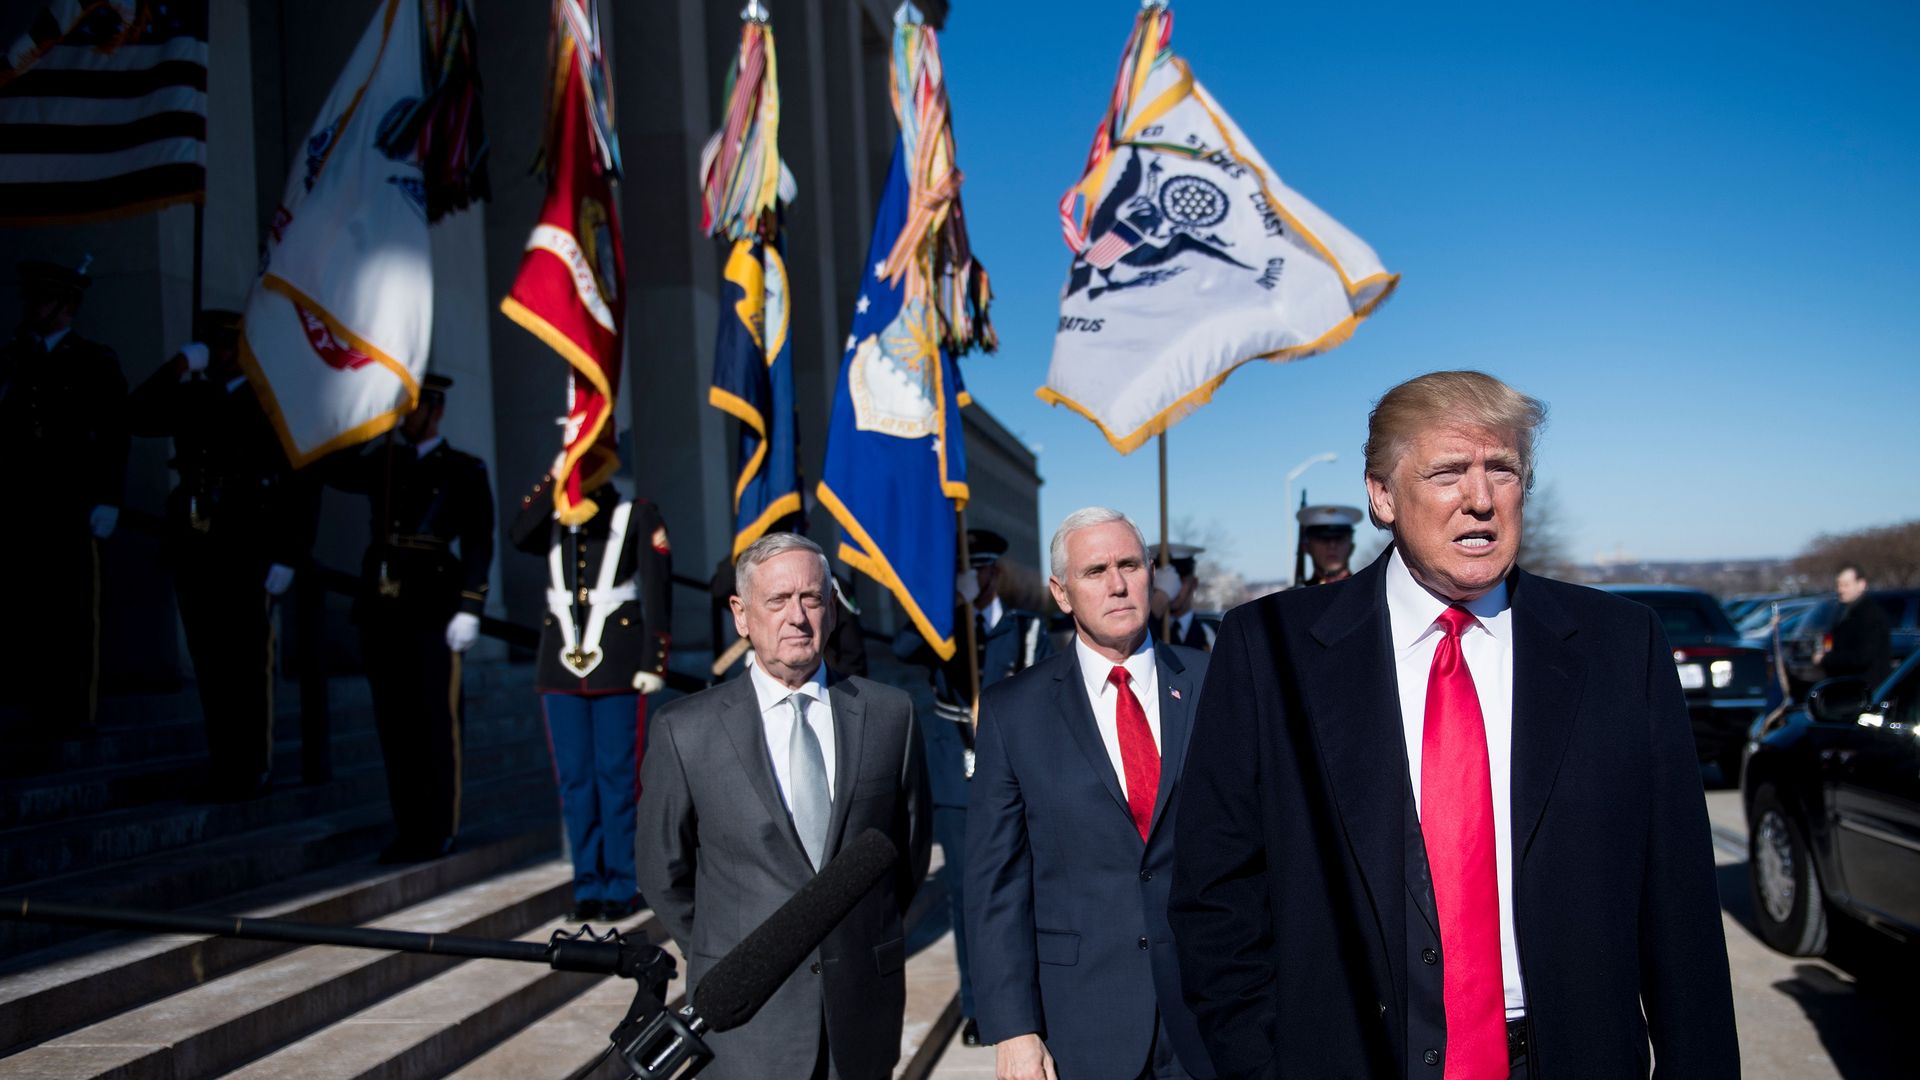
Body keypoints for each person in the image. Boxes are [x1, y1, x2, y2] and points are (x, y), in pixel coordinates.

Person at [1171, 371, 1737, 1080]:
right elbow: (1215, 896)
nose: (1480, 499)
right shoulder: (1270, 651)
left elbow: (1680, 907)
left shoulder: (1621, 647)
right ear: (1382, 495)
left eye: (1501, 470)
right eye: (1447, 472)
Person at [634, 532, 931, 1080]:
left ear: (832, 611)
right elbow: (661, 871)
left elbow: (905, 852)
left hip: (861, 1008)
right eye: (777, 601)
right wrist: (742, 956)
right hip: (749, 1018)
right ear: (741, 615)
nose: (797, 616)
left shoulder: (891, 715)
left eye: (812, 599)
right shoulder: (686, 731)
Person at [967, 507, 1215, 1080]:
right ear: (1061, 592)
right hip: (1080, 1023)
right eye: (1095, 570)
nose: (1117, 583)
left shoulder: (1214, 680)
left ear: (1151, 573)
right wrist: (1012, 1027)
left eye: (1129, 564)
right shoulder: (1014, 712)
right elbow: (995, 887)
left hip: (1208, 1014)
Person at [127, 310, 318, 798]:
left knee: (248, 660)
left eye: (226, 346)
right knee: (209, 658)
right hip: (197, 541)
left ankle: (252, 765)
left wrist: (289, 553)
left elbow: (301, 484)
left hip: (248, 543)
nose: (218, 355)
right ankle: (224, 763)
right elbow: (134, 414)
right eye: (210, 346)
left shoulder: (269, 406)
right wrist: (176, 367)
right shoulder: (191, 395)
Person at [892, 526, 1053, 1046]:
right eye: (964, 571)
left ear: (994, 572)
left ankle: (1031, 997)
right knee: (967, 895)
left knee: (1027, 887)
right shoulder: (944, 626)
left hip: (1018, 772)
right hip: (955, 775)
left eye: (978, 569)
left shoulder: (1026, 630)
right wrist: (945, 608)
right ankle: (977, 1004)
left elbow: (1045, 689)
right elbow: (904, 647)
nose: (972, 579)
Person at [326, 374, 494, 862]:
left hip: (434, 606)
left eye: (410, 408)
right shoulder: (384, 460)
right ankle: (408, 827)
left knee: (435, 722)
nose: (404, 417)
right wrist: (368, 423)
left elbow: (480, 541)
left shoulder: (463, 469)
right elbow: (331, 468)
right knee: (394, 724)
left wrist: (470, 605)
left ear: (435, 410)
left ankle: (440, 826)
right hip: (382, 607)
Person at [510, 468, 671, 921]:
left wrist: (653, 659)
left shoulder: (636, 514)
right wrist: (554, 477)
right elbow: (520, 534)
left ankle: (621, 883)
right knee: (576, 782)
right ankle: (587, 884)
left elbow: (658, 587)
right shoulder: (557, 511)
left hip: (618, 662)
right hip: (561, 665)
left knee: (617, 780)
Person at [0, 258, 128, 727]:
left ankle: (74, 710)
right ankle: (32, 699)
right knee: (28, 604)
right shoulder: (13, 357)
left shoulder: (93, 360)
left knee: (73, 609)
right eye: (29, 298)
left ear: (67, 306)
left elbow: (115, 433)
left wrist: (110, 497)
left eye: (43, 298)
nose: (33, 307)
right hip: (22, 501)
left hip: (73, 501)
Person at [1819, 563, 1892, 685]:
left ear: (1861, 584)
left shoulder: (1869, 615)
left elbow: (1861, 657)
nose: (1840, 590)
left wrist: (1825, 659)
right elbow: (1829, 638)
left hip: (1865, 689)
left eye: (1846, 585)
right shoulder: (1842, 611)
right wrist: (1826, 650)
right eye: (1838, 585)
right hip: (1848, 687)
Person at [1150, 541, 1214, 651]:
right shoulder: (1145, 631)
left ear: (1194, 584)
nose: (1172, 589)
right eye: (1165, 583)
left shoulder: (1209, 635)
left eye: (1180, 581)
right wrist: (1159, 599)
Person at [1295, 503, 1363, 587]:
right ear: (1306, 547)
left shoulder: (1367, 589)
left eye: (1339, 538)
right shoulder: (1293, 597)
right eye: (1323, 539)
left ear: (1351, 547)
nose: (1332, 545)